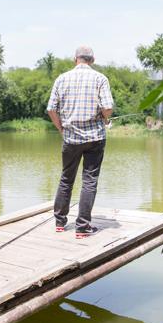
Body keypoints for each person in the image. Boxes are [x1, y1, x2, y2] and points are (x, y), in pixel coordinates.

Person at [47, 45, 114, 238]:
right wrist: (105, 118)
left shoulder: (62, 79)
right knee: (89, 181)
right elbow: (108, 107)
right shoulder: (100, 79)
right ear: (92, 60)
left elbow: (51, 109)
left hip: (70, 138)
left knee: (66, 178)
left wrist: (61, 128)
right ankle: (83, 227)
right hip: (95, 138)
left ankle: (60, 222)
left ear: (75, 59)